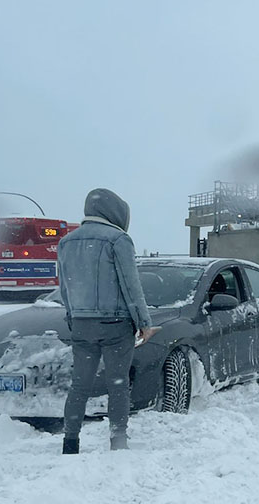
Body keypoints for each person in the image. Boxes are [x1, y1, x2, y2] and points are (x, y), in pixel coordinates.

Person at [56, 188, 159, 454]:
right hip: (115, 325)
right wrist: (144, 322)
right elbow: (131, 285)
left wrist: (72, 316)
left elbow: (64, 287)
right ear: (116, 213)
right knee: (118, 384)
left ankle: (70, 441)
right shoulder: (118, 240)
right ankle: (118, 440)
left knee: (80, 384)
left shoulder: (66, 242)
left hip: (81, 323)